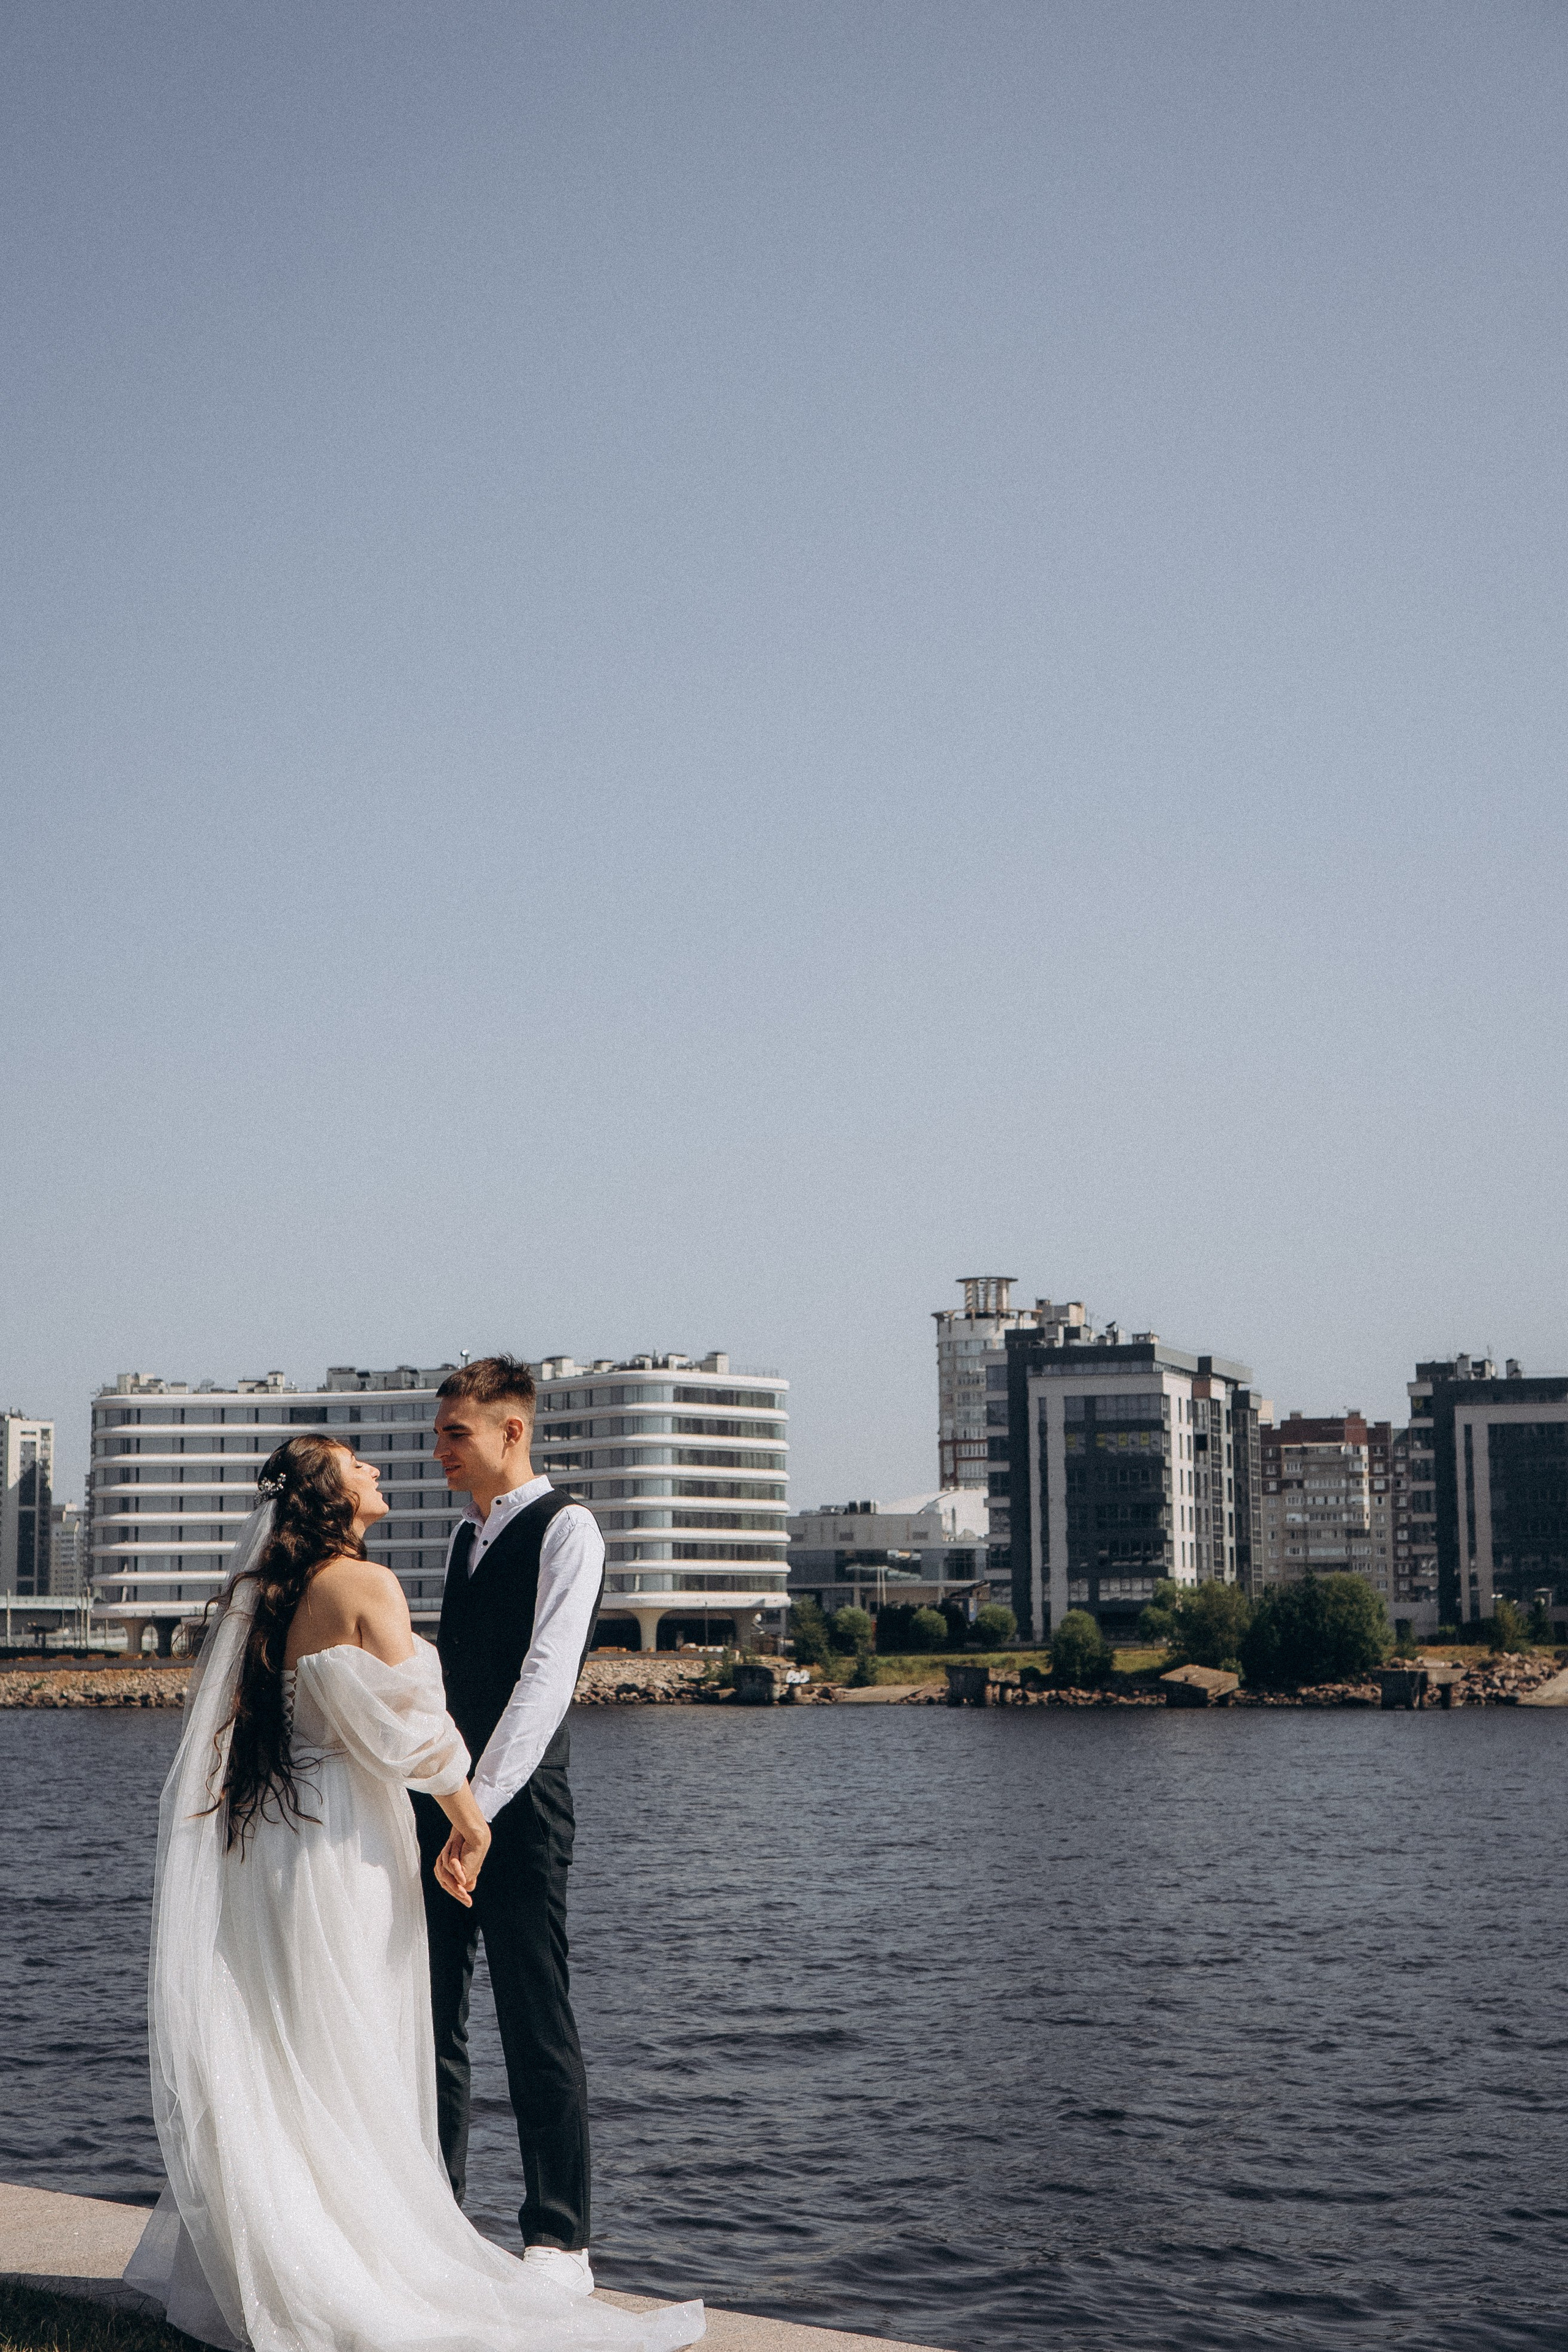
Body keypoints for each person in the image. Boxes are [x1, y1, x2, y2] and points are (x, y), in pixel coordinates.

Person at [126, 1432, 701, 2352]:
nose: (381, 1470)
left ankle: (277, 2252)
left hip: (270, 1843)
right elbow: (418, 1731)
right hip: (344, 1846)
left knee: (289, 2045)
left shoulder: (264, 1597)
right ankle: (365, 2258)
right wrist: (470, 1818)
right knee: (357, 2040)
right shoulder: (366, 1586)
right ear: (330, 1494)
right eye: (360, 1464)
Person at [414, 1355, 605, 2290]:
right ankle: (437, 2216)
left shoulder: (567, 1528)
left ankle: (559, 2241)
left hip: (519, 1814)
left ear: (511, 1431)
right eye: (441, 1431)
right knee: (432, 2017)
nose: (439, 1448)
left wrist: (478, 1811)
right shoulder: (463, 1539)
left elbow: (545, 1683)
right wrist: (446, 1805)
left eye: (456, 1432)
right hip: (444, 1808)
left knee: (535, 2016)